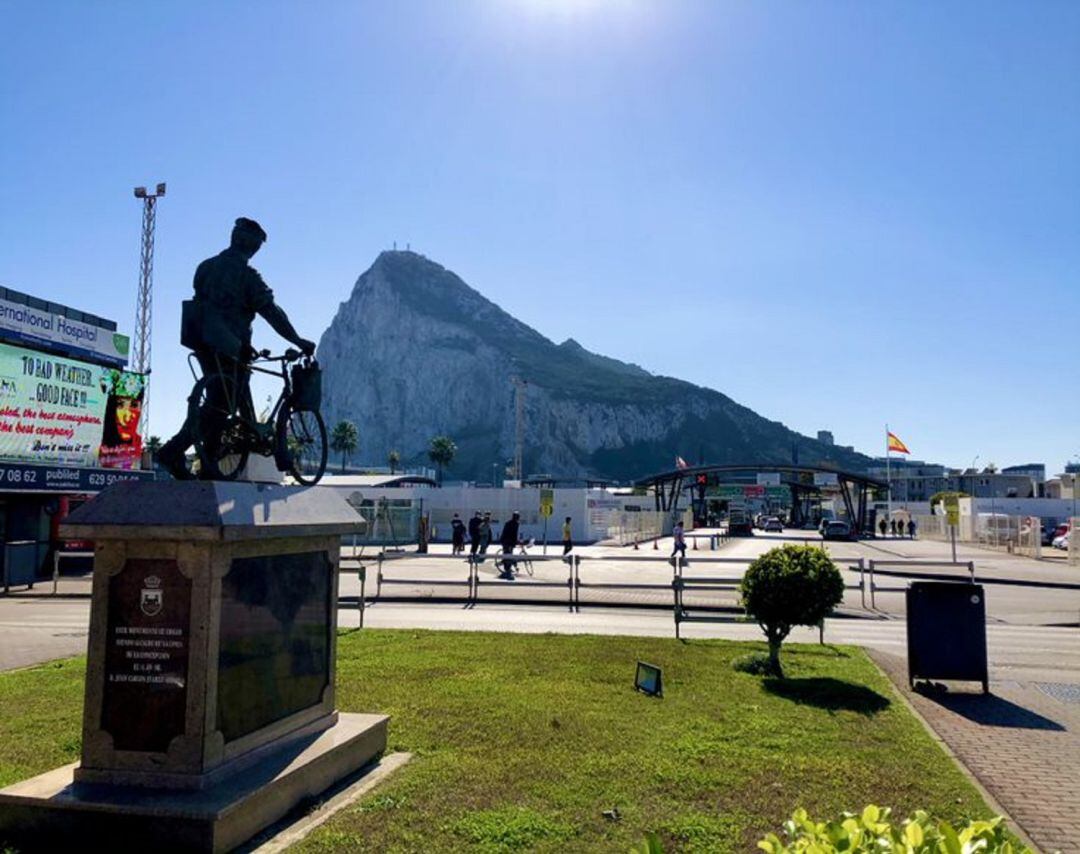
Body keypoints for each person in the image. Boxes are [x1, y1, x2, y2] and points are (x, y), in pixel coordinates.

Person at [158, 218, 316, 480]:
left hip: (203, 342)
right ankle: (177, 452)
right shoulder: (247, 277)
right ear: (252, 247)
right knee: (221, 405)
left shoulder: (205, 267)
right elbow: (272, 313)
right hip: (232, 347)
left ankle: (205, 459)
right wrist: (298, 341)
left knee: (218, 401)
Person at [499, 511, 521, 579]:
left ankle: (507, 569)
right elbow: (514, 534)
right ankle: (507, 571)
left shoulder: (508, 523)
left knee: (507, 554)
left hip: (505, 541)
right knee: (508, 555)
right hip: (509, 542)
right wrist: (516, 541)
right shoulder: (516, 524)